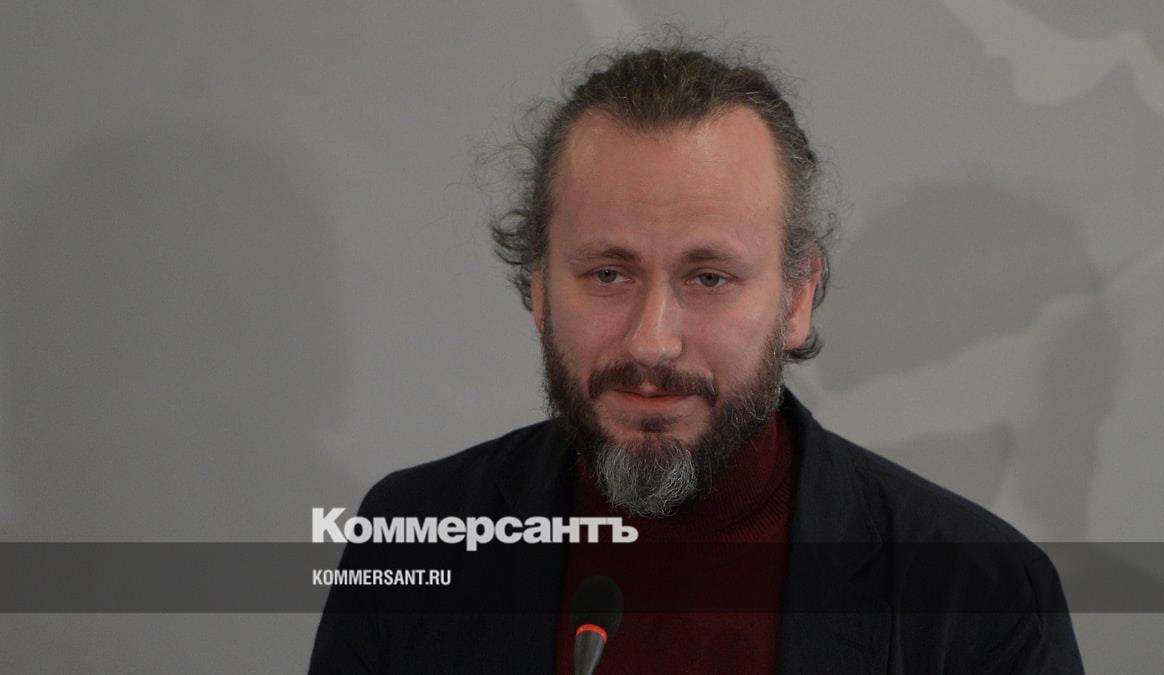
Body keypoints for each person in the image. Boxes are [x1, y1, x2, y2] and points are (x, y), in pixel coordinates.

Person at [310, 38, 1084, 673]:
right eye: (608, 274)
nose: (652, 340)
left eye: (708, 277)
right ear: (540, 288)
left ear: (796, 297)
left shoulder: (980, 593)